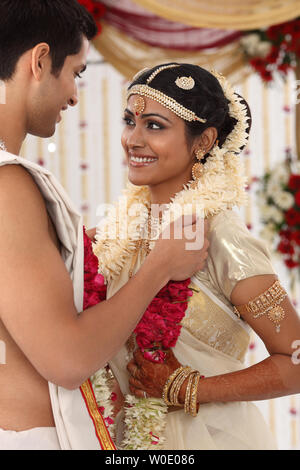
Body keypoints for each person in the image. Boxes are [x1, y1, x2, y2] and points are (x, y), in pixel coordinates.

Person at [0, 3, 209, 450]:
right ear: (39, 61)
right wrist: (159, 266)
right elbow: (67, 358)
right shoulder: (7, 183)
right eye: (76, 72)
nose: (74, 95)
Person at [92, 63, 300, 450]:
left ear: (203, 141)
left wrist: (188, 387)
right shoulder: (113, 236)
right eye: (129, 121)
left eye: (154, 125)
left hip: (212, 439)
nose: (132, 139)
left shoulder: (220, 238)